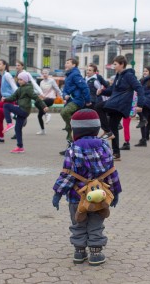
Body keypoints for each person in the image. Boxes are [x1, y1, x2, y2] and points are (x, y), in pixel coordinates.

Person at [52, 109, 121, 266]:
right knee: (96, 224)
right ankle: (96, 254)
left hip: (77, 197)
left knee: (78, 222)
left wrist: (58, 193)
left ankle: (79, 251)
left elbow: (67, 174)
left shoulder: (73, 149)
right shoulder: (105, 147)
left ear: (75, 130)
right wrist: (116, 192)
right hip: (101, 195)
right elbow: (111, 172)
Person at [95, 55, 144, 161]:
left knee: (98, 107)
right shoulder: (118, 75)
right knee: (113, 127)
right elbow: (112, 90)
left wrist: (140, 104)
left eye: (115, 64)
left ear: (122, 64)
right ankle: (116, 153)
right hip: (115, 102)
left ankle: (108, 131)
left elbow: (139, 88)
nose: (114, 66)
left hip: (120, 104)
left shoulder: (129, 76)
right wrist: (102, 91)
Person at [2, 71, 48, 153]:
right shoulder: (20, 89)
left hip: (23, 110)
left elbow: (36, 98)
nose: (19, 81)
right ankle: (20, 147)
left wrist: (44, 106)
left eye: (21, 80)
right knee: (17, 128)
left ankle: (9, 123)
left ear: (25, 80)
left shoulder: (28, 89)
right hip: (22, 110)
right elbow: (13, 97)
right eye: (18, 79)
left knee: (6, 106)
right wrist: (5, 99)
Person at [59, 58, 91, 154]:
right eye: (65, 62)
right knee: (69, 125)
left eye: (67, 62)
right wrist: (65, 95)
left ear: (73, 65)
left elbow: (85, 87)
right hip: (70, 101)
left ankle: (73, 127)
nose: (65, 64)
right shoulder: (68, 76)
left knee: (65, 113)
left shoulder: (75, 74)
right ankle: (70, 148)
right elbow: (64, 90)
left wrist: (88, 100)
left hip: (77, 100)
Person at [0, 59, 18, 144]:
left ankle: (12, 113)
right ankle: (1, 138)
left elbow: (14, 87)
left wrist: (17, 98)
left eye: (0, 64)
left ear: (4, 66)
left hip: (8, 100)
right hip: (3, 100)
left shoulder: (7, 75)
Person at [135, 66, 150, 147]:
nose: (144, 72)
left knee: (143, 119)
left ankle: (144, 138)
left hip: (147, 102)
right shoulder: (142, 80)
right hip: (143, 101)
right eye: (144, 71)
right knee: (143, 120)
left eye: (146, 71)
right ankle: (144, 138)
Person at [36, 68, 62, 135]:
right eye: (43, 73)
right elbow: (40, 92)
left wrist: (62, 96)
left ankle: (47, 114)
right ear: (42, 74)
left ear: (48, 74)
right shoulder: (41, 82)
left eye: (46, 73)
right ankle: (43, 130)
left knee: (37, 103)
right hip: (44, 100)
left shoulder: (51, 81)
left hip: (50, 99)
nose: (44, 74)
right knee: (39, 116)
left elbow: (57, 89)